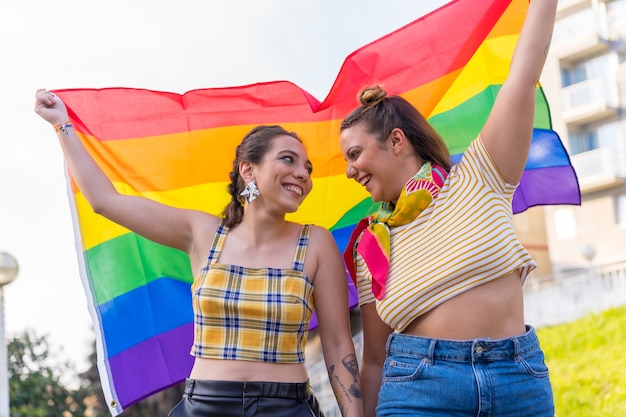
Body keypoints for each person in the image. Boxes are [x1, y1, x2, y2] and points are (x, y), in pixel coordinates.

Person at [34, 89, 363, 417]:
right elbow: (105, 201)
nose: (303, 174)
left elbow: (337, 345)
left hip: (287, 408)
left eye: (307, 167)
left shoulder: (316, 243)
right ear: (248, 170)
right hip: (205, 407)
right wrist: (62, 125)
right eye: (287, 159)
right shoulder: (202, 233)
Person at [339, 0, 558, 416]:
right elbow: (373, 360)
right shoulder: (371, 246)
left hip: (517, 381)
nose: (350, 171)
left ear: (397, 141)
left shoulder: (479, 174)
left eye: (354, 154)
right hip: (419, 392)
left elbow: (524, 72)